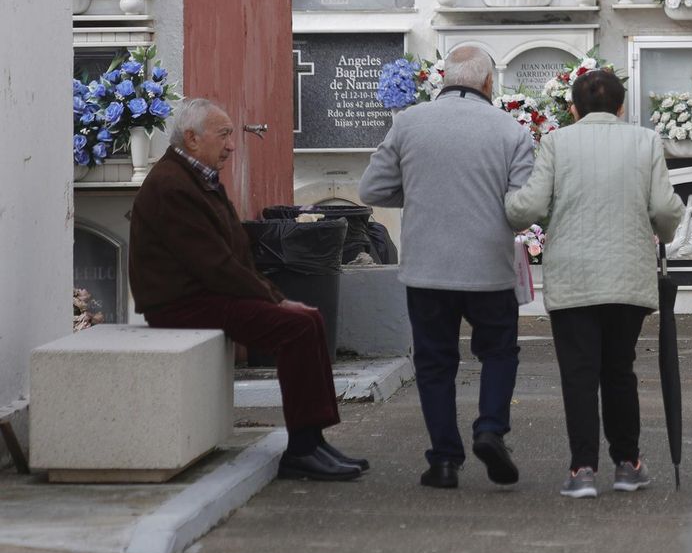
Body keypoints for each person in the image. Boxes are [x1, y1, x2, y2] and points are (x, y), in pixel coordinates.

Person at [130, 98, 365, 482]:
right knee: (296, 326)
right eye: (223, 135)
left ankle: (314, 440)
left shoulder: (195, 176)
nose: (231, 145)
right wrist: (274, 299)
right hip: (181, 303)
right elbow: (213, 264)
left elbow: (233, 253)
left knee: (309, 319)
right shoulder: (172, 185)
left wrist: (274, 296)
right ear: (191, 138)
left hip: (206, 293)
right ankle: (303, 450)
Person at [359, 46, 534, 490]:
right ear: (489, 84)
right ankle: (490, 429)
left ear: (443, 78)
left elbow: (372, 189)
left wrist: (421, 196)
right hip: (489, 268)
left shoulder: (409, 124)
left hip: (426, 269)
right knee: (498, 352)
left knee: (435, 363)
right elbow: (520, 211)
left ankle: (443, 461)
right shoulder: (510, 129)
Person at [504, 69, 684, 498]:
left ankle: (582, 469)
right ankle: (628, 463)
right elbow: (663, 207)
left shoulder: (556, 142)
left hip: (573, 277)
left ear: (572, 108)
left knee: (579, 374)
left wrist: (509, 204)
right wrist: (667, 228)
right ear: (622, 107)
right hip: (627, 274)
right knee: (619, 370)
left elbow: (526, 207)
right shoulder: (644, 141)